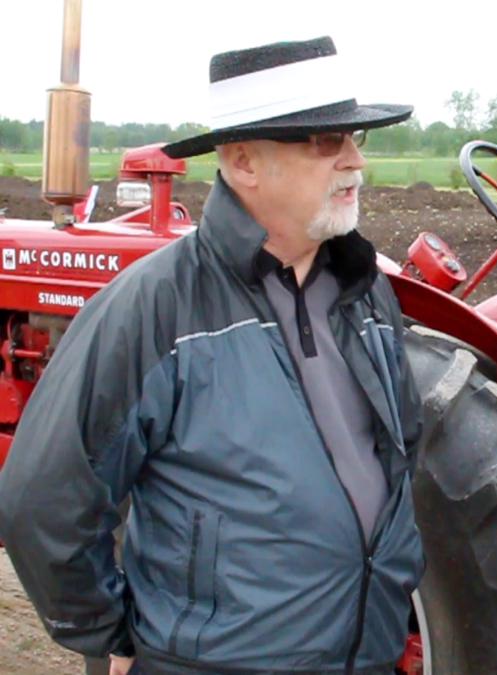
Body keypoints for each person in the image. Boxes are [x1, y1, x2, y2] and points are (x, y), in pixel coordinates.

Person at [0, 36, 424, 675]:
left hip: (365, 657)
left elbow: (400, 453)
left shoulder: (368, 294)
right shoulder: (155, 306)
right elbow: (43, 500)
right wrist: (122, 635)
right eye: (326, 141)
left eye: (354, 138)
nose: (355, 161)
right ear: (243, 160)